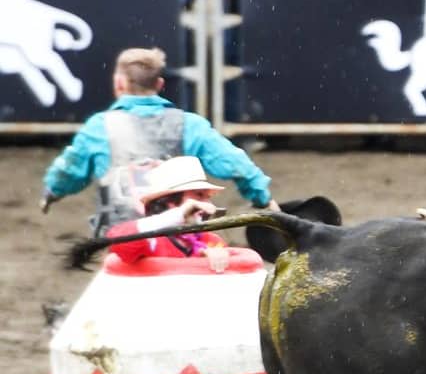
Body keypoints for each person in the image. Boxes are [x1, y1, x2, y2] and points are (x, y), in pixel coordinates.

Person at [39, 46, 279, 237]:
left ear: (119, 83)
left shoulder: (98, 127)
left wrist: (52, 191)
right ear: (160, 85)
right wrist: (262, 198)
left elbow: (70, 169)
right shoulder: (190, 125)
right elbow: (235, 162)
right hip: (178, 233)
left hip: (122, 236)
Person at [106, 156, 230, 273]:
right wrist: (179, 214)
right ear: (171, 201)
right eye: (198, 195)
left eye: (207, 197)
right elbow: (116, 241)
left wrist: (220, 259)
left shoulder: (211, 240)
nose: (208, 204)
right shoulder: (152, 241)